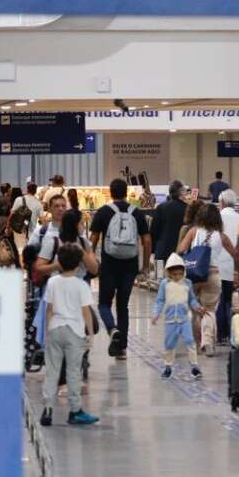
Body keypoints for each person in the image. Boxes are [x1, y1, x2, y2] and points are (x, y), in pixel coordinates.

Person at [89, 178, 151, 359]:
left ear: (111, 192)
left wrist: (91, 261)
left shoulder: (103, 212)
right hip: (130, 265)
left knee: (104, 303)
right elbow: (147, 240)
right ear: (126, 193)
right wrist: (145, 266)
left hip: (109, 264)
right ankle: (122, 349)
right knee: (123, 306)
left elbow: (93, 239)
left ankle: (112, 329)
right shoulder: (136, 213)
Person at [39, 243, 100, 427]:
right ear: (79, 264)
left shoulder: (52, 282)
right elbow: (86, 312)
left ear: (59, 261)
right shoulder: (81, 285)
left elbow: (49, 309)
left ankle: (47, 410)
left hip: (55, 329)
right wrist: (91, 334)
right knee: (73, 372)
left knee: (52, 371)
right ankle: (75, 411)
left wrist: (46, 332)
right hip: (74, 332)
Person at [178, 201, 236, 355]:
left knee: (195, 310)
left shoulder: (193, 231)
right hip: (213, 275)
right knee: (209, 310)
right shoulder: (221, 236)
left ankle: (198, 344)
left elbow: (181, 250)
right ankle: (208, 342)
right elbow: (235, 255)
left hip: (194, 275)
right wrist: (237, 271)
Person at [154, 253, 205, 379]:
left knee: (190, 341)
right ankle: (168, 367)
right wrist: (156, 314)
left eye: (180, 274)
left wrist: (198, 307)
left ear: (184, 272)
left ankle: (194, 367)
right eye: (174, 274)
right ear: (168, 272)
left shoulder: (187, 283)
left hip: (185, 319)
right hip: (170, 321)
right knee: (169, 344)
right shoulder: (165, 284)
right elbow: (160, 301)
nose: (177, 277)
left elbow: (191, 299)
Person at [217, 189, 239, 345]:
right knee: (232, 301)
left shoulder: (217, 218)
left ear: (221, 202)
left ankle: (221, 335)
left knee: (220, 301)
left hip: (218, 265)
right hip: (235, 266)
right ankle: (232, 333)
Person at [151, 181, 190, 264]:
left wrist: (153, 250)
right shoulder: (188, 209)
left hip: (161, 251)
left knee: (160, 272)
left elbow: (154, 231)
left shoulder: (161, 207)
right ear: (181, 192)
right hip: (180, 253)